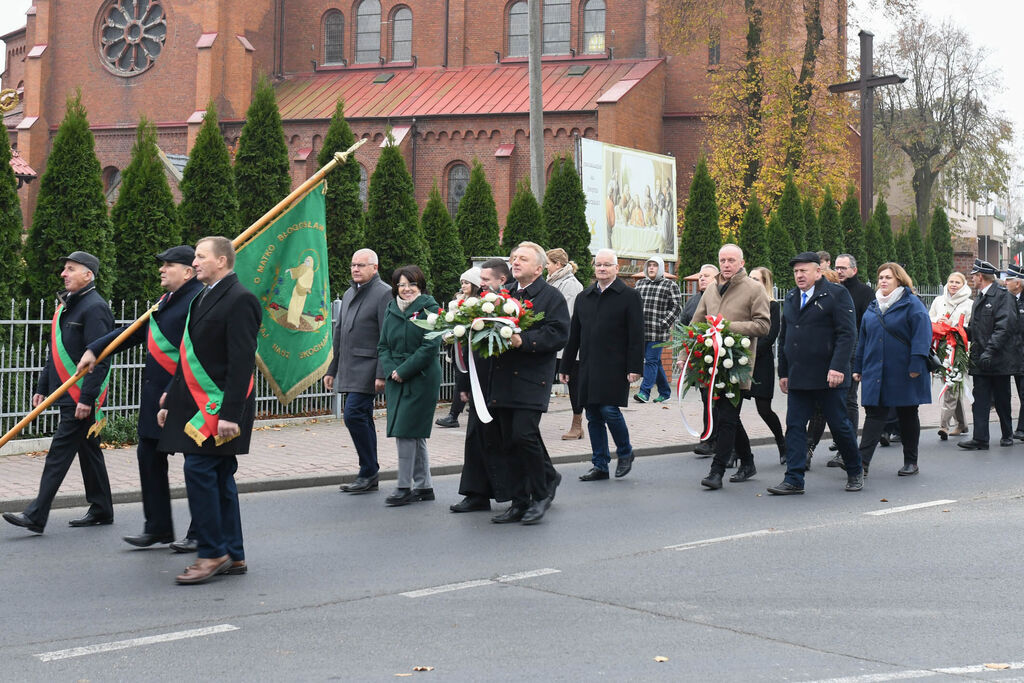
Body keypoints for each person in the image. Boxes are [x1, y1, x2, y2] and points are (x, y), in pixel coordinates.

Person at [77, 246, 203, 551]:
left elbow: (199, 353)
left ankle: (201, 530)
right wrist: (96, 348)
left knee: (198, 467)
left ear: (188, 271)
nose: (161, 269)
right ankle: (157, 527)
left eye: (169, 265)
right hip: (155, 400)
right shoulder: (167, 301)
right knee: (149, 456)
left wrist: (175, 391)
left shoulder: (199, 301)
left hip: (185, 397)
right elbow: (134, 331)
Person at [157, 236, 260, 584]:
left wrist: (230, 413)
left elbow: (242, 361)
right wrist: (171, 399)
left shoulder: (240, 299)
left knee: (200, 472)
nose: (195, 261)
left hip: (221, 410)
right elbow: (191, 353)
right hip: (197, 406)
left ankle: (212, 552)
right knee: (218, 477)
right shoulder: (203, 296)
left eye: (201, 256)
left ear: (222, 260)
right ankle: (233, 553)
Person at [3, 252, 115, 535]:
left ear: (88, 275)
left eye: (71, 269)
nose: (63, 274)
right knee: (89, 451)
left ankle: (36, 515)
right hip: (69, 395)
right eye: (64, 269)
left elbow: (100, 358)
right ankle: (102, 508)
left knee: (58, 453)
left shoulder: (95, 308)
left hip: (80, 398)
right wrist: (42, 387)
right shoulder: (66, 307)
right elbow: (56, 352)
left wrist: (87, 399)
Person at [768, 252, 863, 495]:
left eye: (804, 271)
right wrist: (784, 372)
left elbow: (847, 334)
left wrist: (838, 367)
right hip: (800, 376)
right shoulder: (790, 297)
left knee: (840, 425)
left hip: (828, 375)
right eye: (796, 272)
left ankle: (854, 469)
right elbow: (785, 336)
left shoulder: (836, 294)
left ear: (818, 272)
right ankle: (794, 478)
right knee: (795, 426)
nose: (799, 275)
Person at [489, 242, 570, 525]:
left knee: (524, 434)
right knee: (509, 440)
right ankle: (519, 501)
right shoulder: (504, 294)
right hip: (502, 376)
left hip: (531, 377)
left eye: (522, 259)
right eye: (513, 258)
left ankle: (541, 495)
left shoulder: (551, 297)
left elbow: (558, 334)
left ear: (539, 268)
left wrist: (525, 340)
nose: (515, 262)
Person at [689, 244, 770, 490]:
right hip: (711, 362)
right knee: (727, 416)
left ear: (741, 262)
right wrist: (685, 354)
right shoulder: (711, 289)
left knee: (726, 417)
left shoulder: (754, 289)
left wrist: (728, 327)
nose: (726, 264)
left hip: (738, 363)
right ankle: (748, 461)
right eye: (722, 260)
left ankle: (717, 470)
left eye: (731, 260)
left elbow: (763, 325)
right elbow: (696, 324)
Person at [561, 249, 644, 481]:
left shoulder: (629, 296)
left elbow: (637, 335)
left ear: (617, 268)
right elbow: (574, 335)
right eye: (598, 265)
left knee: (609, 410)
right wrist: (565, 367)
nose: (602, 269)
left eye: (607, 265)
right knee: (593, 414)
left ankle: (625, 452)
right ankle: (600, 464)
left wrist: (635, 367)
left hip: (615, 366)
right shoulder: (584, 297)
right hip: (588, 365)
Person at [850, 262, 932, 476]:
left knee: (907, 414)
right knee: (874, 414)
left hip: (905, 370)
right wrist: (858, 367)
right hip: (876, 370)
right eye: (880, 278)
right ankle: (862, 463)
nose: (883, 281)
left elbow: (922, 335)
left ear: (899, 280)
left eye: (888, 277)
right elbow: (863, 340)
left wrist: (916, 365)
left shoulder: (912, 303)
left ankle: (911, 461)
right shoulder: (873, 305)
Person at [324, 248, 392, 493]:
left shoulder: (384, 293)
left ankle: (368, 471)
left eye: (361, 265)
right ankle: (369, 472)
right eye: (353, 265)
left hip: (369, 367)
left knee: (353, 415)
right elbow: (340, 333)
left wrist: (382, 373)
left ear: (375, 268)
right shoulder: (350, 293)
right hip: (349, 367)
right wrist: (332, 369)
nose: (355, 269)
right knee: (360, 417)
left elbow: (387, 336)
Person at [377, 265, 442, 506]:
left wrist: (403, 371)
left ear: (420, 286)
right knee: (413, 434)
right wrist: (391, 369)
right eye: (401, 284)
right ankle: (424, 486)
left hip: (422, 377)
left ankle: (403, 487)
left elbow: (430, 346)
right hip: (396, 376)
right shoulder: (391, 308)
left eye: (411, 284)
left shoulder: (431, 309)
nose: (406, 289)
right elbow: (383, 345)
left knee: (405, 431)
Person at [451, 258, 511, 512]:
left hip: (505, 383)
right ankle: (476, 493)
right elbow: (467, 347)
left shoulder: (509, 305)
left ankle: (539, 483)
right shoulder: (474, 307)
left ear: (501, 280)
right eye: (480, 280)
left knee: (511, 438)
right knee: (475, 436)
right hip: (478, 382)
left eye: (485, 280)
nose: (481, 284)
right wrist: (464, 383)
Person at [822, 253, 875, 466]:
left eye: (844, 268)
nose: (840, 271)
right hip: (831, 352)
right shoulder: (832, 291)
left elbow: (868, 324)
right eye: (837, 267)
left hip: (854, 352)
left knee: (849, 400)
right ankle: (841, 445)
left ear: (854, 270)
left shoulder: (864, 292)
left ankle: (847, 449)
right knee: (833, 402)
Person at [959, 259, 1016, 451]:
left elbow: (1004, 328)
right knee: (980, 401)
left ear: (981, 277)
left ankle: (1007, 433)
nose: (972, 279)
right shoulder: (980, 298)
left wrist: (990, 351)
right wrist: (959, 332)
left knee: (1002, 400)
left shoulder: (1003, 296)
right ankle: (980, 438)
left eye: (974, 276)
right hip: (980, 359)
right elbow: (977, 330)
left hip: (998, 360)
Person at [747, 267, 786, 463]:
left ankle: (782, 443)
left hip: (761, 363)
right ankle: (739, 452)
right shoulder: (744, 303)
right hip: (739, 361)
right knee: (731, 409)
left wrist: (749, 353)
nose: (752, 282)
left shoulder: (772, 306)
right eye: (750, 278)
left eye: (757, 280)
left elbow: (770, 336)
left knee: (764, 408)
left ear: (765, 284)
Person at [545, 248, 585, 439]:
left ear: (558, 264)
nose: (546, 266)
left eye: (548, 263)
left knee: (574, 384)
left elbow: (567, 316)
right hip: (553, 344)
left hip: (568, 345)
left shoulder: (570, 285)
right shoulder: (552, 281)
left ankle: (577, 424)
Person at [928, 271, 973, 440]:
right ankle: (961, 424)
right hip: (940, 345)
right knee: (951, 386)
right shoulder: (939, 301)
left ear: (963, 285)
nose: (953, 285)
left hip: (958, 348)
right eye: (951, 281)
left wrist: (952, 325)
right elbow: (930, 318)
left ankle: (944, 425)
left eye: (957, 282)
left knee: (951, 385)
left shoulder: (969, 304)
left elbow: (970, 325)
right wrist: (938, 323)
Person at [436, 267, 482, 429]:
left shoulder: (479, 303)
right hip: (456, 346)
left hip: (470, 346)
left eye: (467, 283)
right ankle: (457, 413)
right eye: (462, 282)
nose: (463, 286)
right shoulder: (456, 301)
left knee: (466, 379)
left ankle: (454, 415)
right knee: (461, 378)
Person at [682, 263, 720, 456]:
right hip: (699, 357)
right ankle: (708, 438)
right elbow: (685, 327)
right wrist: (684, 354)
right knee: (706, 398)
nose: (702, 279)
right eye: (700, 276)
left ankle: (716, 440)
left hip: (719, 356)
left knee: (717, 400)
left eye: (707, 276)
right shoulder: (693, 300)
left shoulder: (720, 297)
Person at [633, 255, 682, 404]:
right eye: (649, 265)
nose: (652, 268)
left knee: (651, 361)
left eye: (655, 265)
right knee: (655, 362)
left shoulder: (670, 285)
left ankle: (644, 392)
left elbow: (676, 306)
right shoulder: (640, 284)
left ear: (660, 267)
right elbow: (633, 304)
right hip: (641, 330)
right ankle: (665, 392)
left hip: (658, 331)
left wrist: (664, 323)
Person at [1003, 265, 1024, 440]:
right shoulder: (1008, 299)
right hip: (1013, 354)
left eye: (1009, 279)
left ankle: (1022, 429)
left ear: (1018, 283)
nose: (1005, 282)